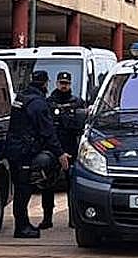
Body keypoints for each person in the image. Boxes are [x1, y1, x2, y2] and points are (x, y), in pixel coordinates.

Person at [5, 70, 69, 238]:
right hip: (24, 152)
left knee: (20, 188)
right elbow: (48, 132)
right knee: (24, 190)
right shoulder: (38, 103)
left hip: (13, 149)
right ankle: (22, 227)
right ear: (46, 83)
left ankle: (23, 224)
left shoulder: (21, 97)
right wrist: (60, 153)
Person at [40, 71, 85, 229]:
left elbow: (82, 126)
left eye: (66, 83)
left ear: (70, 84)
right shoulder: (49, 102)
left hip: (70, 148)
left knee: (72, 185)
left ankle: (73, 218)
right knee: (48, 185)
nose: (64, 86)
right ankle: (47, 218)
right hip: (52, 148)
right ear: (57, 83)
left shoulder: (77, 102)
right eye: (61, 83)